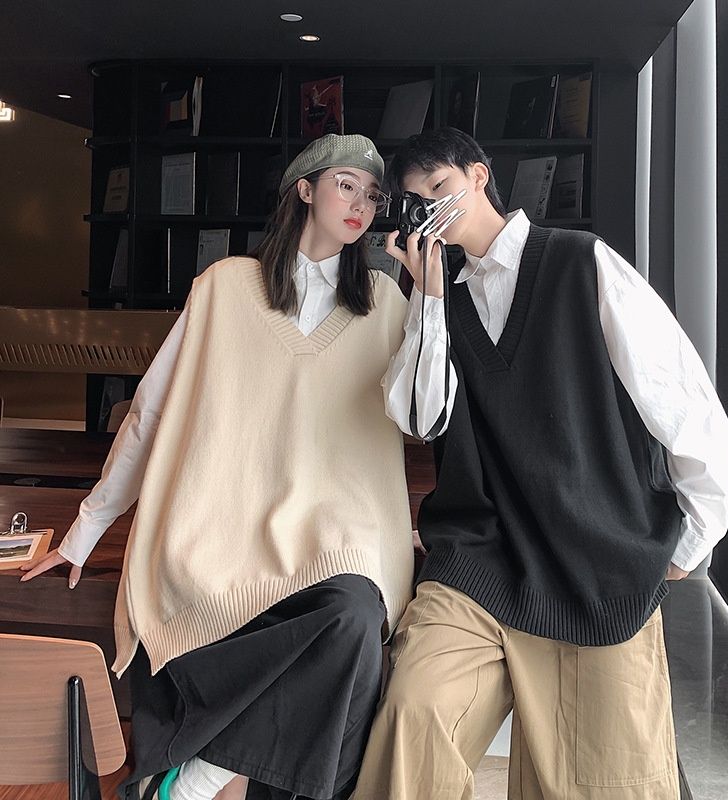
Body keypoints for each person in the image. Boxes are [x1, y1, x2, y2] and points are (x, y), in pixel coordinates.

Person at [19, 133, 450, 800]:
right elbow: (151, 412)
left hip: (342, 543)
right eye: (345, 185)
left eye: (372, 194)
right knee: (327, 657)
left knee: (356, 618)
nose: (361, 204)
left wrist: (431, 300)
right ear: (304, 189)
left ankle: (197, 778)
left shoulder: (387, 302)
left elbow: (424, 418)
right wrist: (86, 529)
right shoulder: (224, 288)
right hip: (221, 536)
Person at [351, 127, 728, 800]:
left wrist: (691, 541)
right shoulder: (441, 299)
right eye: (418, 202)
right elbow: (419, 417)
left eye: (440, 187)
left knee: (607, 780)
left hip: (597, 565)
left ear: (478, 176)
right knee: (415, 715)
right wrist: (429, 299)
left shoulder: (581, 263)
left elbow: (684, 401)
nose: (433, 209)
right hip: (480, 563)